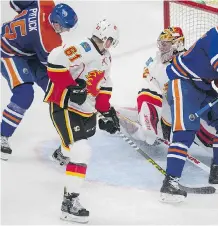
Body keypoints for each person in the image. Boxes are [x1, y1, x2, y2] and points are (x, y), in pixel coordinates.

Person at [44, 19, 120, 223]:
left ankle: (61, 153)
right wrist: (71, 86)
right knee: (82, 150)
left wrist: (106, 111)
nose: (110, 45)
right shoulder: (83, 48)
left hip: (85, 109)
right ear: (106, 38)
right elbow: (54, 61)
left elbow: (104, 84)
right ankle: (69, 204)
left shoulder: (106, 57)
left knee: (83, 139)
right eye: (110, 40)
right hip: (64, 105)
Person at [0, 0, 78, 160]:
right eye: (63, 28)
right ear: (56, 22)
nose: (64, 31)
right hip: (8, 51)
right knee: (24, 94)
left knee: (58, 92)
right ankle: (3, 134)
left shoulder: (45, 3)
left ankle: (65, 146)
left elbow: (15, 3)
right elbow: (56, 69)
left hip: (29, 50)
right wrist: (73, 84)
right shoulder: (48, 40)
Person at [159, 26, 218, 203]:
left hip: (203, 85)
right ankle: (170, 183)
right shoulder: (214, 36)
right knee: (184, 133)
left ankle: (216, 169)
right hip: (182, 82)